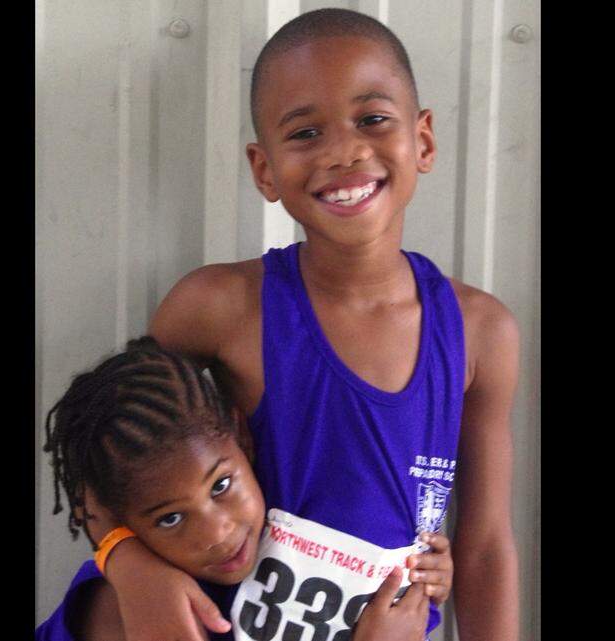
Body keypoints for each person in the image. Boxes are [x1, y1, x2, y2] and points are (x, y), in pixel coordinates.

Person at [87, 8, 520, 641]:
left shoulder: (481, 331)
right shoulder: (217, 307)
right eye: (306, 133)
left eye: (372, 119)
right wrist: (125, 563)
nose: (344, 151)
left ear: (422, 141)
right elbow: (105, 462)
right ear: (264, 170)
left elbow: (482, 549)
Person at [37, 337, 451, 641]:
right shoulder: (124, 609)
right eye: (171, 518)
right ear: (120, 520)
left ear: (242, 438)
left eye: (220, 485)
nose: (216, 533)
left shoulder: (284, 555)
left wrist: (423, 582)